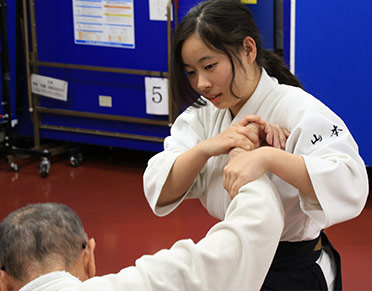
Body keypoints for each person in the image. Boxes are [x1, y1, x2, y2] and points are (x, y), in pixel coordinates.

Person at [143, 0, 369, 290]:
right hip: (234, 264)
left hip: (292, 271)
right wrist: (207, 148)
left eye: (209, 66)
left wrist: (268, 159)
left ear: (248, 50)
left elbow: (350, 180)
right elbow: (160, 187)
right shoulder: (203, 115)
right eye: (191, 72)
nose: (201, 83)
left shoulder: (299, 109)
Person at [0, 176, 284, 291]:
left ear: (4, 282)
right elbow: (250, 232)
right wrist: (248, 166)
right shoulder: (143, 284)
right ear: (89, 257)